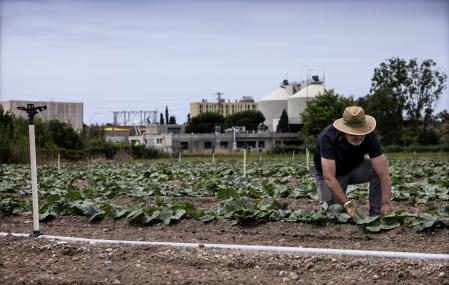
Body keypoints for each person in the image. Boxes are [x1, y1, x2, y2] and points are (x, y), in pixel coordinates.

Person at [313, 106, 392, 217]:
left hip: (354, 167)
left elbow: (384, 174)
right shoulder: (328, 137)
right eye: (354, 133)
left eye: (361, 132)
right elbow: (329, 178)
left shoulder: (370, 136)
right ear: (344, 130)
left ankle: (377, 214)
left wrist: (386, 202)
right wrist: (347, 204)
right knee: (332, 214)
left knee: (377, 170)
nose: (359, 137)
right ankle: (332, 206)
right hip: (328, 176)